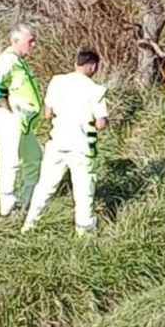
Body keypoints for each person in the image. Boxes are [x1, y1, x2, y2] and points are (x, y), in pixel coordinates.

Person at [21, 49, 109, 236]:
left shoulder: (57, 82)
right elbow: (101, 124)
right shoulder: (96, 90)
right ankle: (84, 231)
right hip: (83, 147)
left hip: (58, 143)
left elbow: (47, 114)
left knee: (45, 185)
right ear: (93, 67)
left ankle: (30, 223)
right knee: (84, 188)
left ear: (75, 63)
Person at [0, 23, 42, 217]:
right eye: (29, 41)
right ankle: (7, 204)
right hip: (9, 118)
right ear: (15, 41)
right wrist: (5, 104)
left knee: (34, 158)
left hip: (23, 122)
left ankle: (26, 199)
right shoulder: (8, 60)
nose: (33, 45)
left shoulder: (19, 61)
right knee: (11, 160)